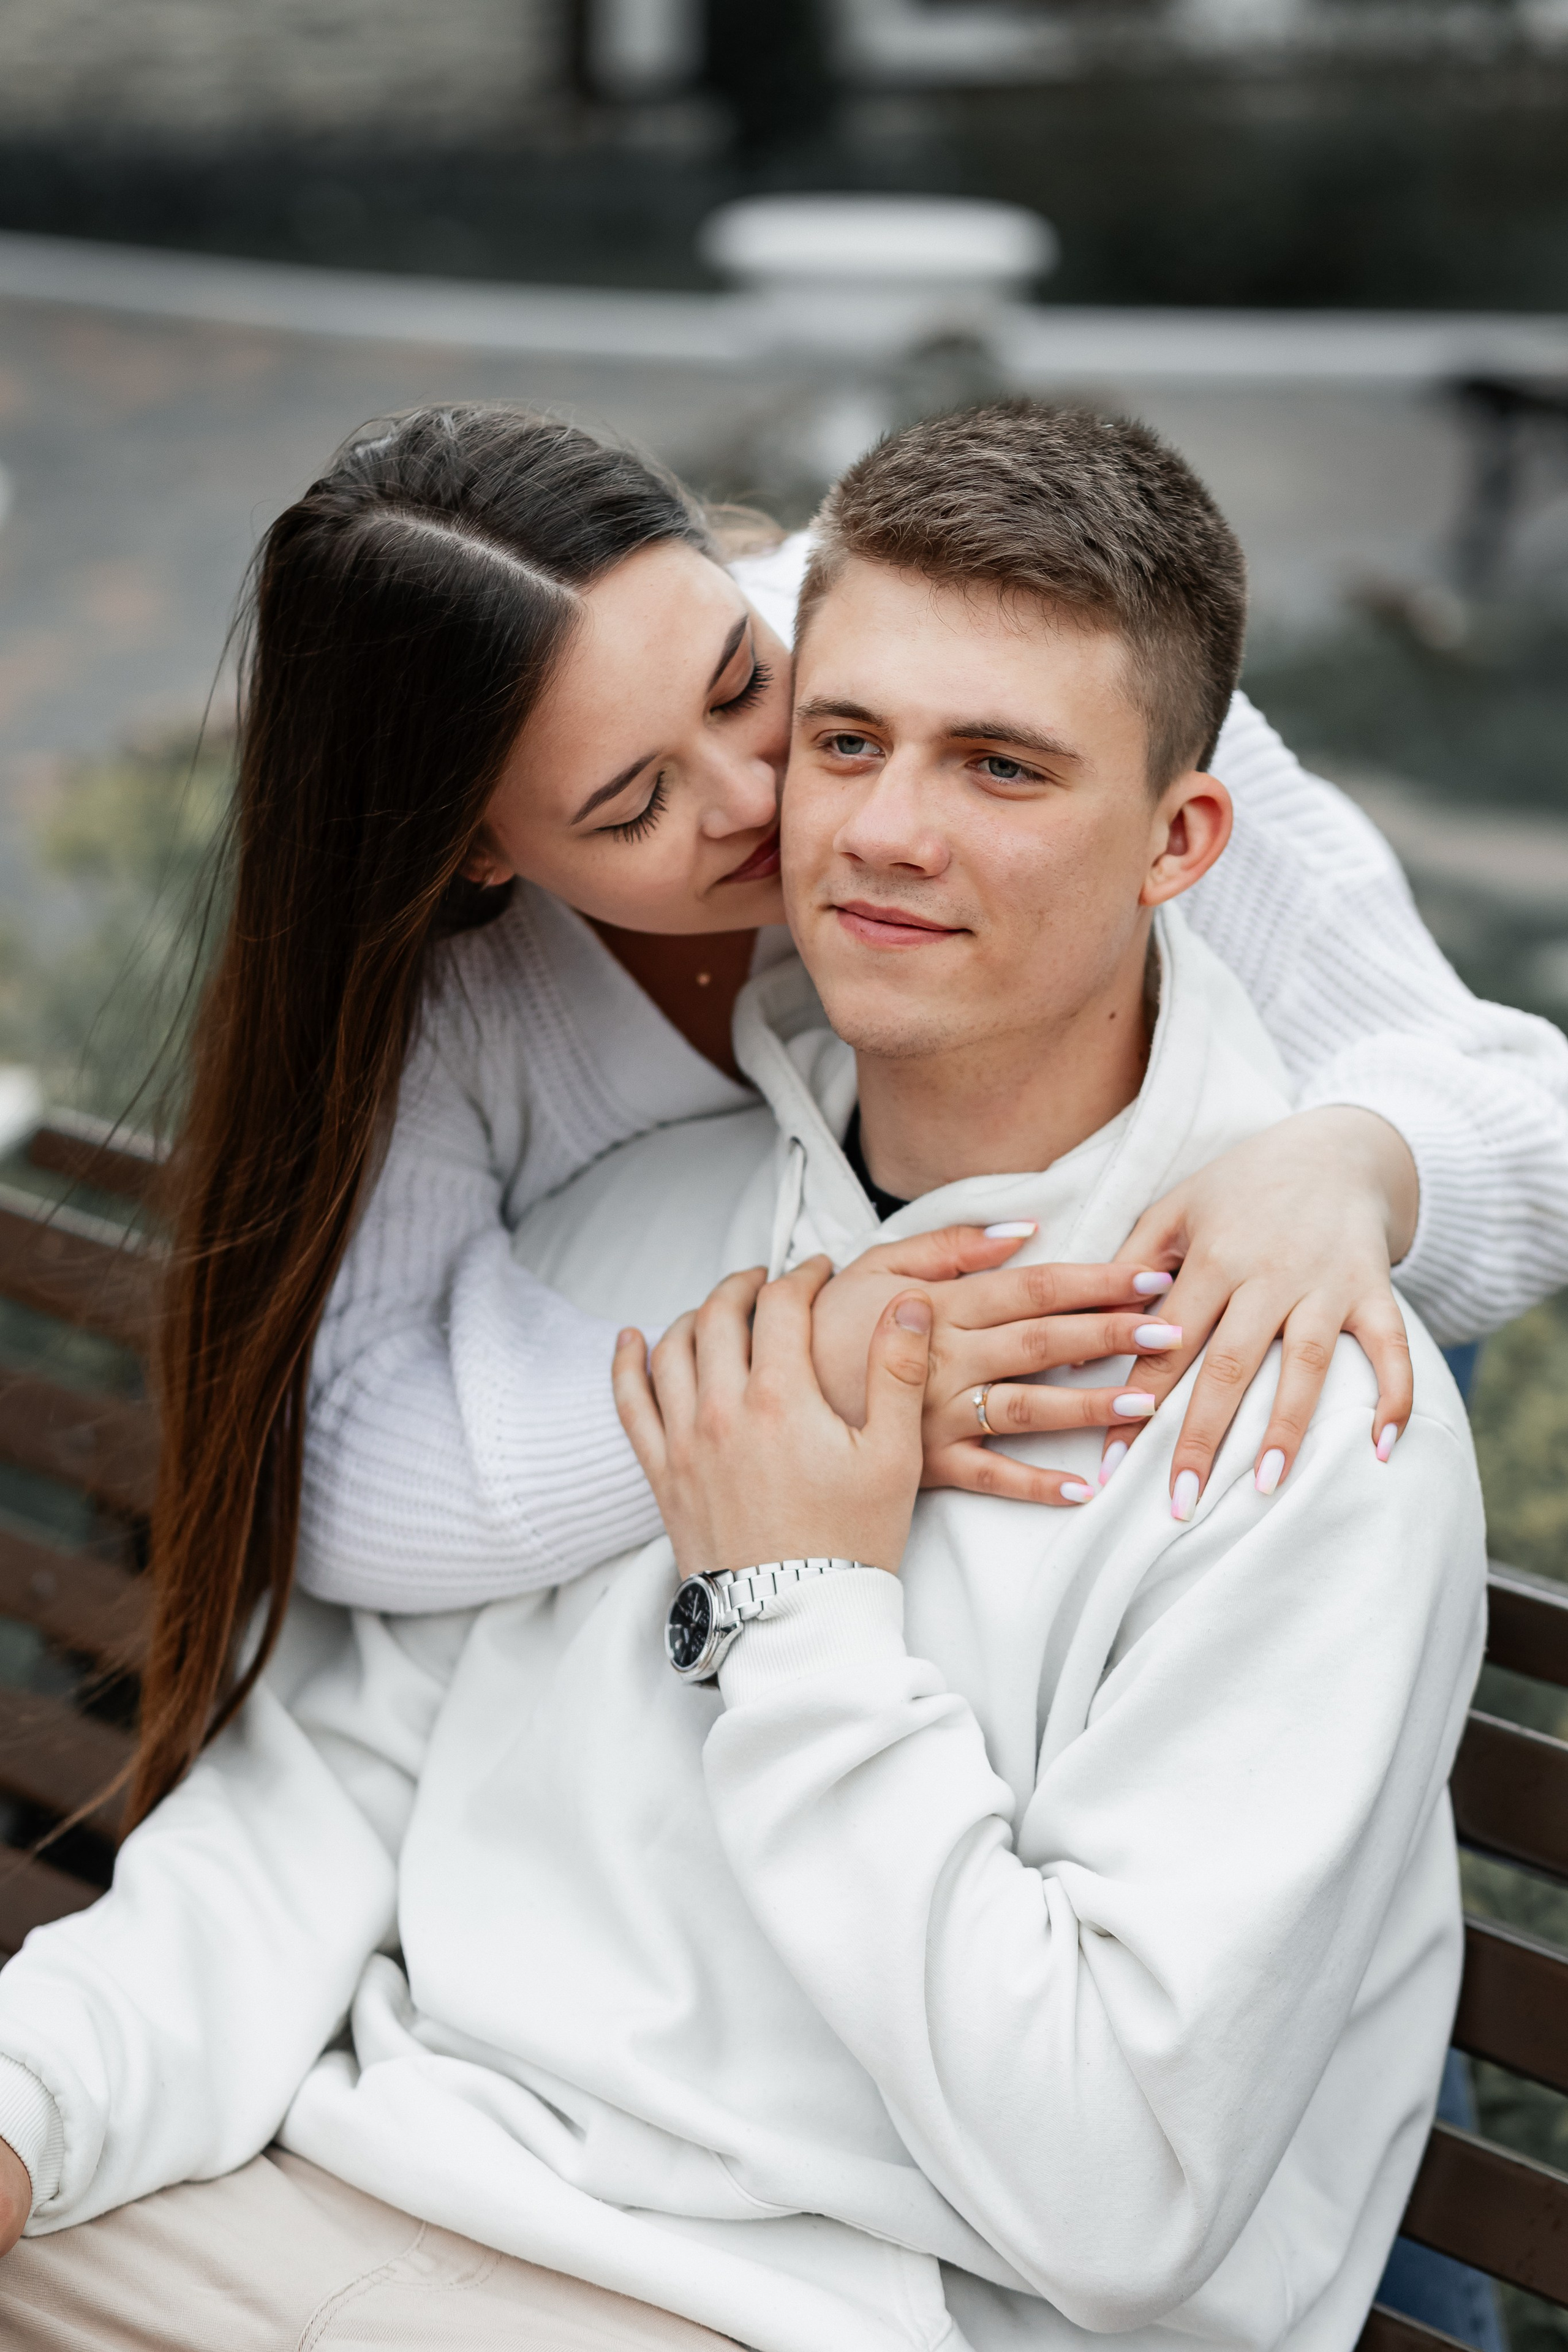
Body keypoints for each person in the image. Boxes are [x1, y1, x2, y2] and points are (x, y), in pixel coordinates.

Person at [0, 402, 1485, 2352]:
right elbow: (312, 1815)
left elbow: (1125, 2200)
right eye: (849, 740)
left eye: (1003, 766)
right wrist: (26, 2117)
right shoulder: (614, 1235)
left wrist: (794, 1601)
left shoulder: (1283, 1407)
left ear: (1181, 840)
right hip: (331, 2201)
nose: (865, 826)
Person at [138, 402, 1559, 1841]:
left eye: (746, 684)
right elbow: (342, 1458)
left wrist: (1352, 1162)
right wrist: (782, 1398)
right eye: (635, 806)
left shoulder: (983, 637)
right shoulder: (451, 990)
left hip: (1223, 1376)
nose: (774, 801)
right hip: (821, 1602)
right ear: (483, 851)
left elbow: (1526, 1117)